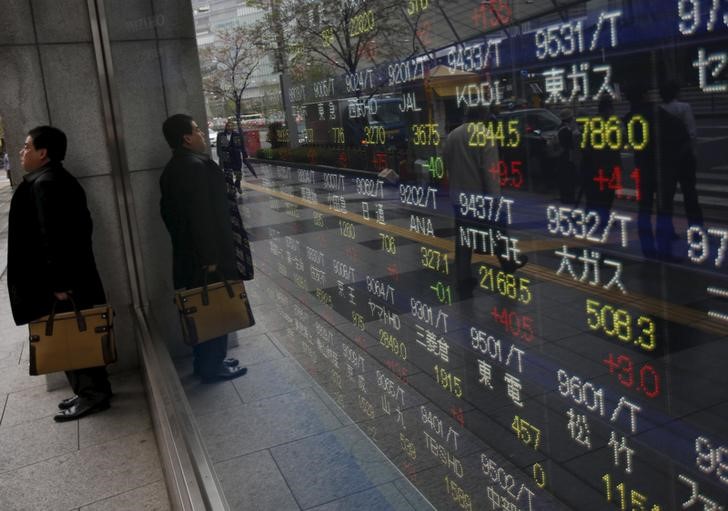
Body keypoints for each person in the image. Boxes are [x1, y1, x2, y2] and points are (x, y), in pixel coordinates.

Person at [6, 126, 112, 421]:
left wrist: (60, 283)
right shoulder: (50, 179)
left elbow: (53, 238)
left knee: (74, 337)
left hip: (64, 283)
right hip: (67, 280)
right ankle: (89, 391)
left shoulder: (46, 184)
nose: (21, 152)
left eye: (27, 147)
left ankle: (94, 395)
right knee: (76, 336)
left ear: (43, 153)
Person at [160, 114, 248, 383]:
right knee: (212, 307)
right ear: (186, 137)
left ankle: (208, 361)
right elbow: (203, 216)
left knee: (201, 309)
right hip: (206, 257)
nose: (201, 134)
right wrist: (210, 258)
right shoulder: (195, 167)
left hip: (191, 255)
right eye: (197, 129)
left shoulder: (176, 167)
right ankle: (212, 366)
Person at [216, 121, 256, 192]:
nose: (230, 128)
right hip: (226, 157)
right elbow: (219, 147)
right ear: (226, 127)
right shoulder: (221, 135)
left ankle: (237, 185)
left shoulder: (236, 135)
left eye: (231, 126)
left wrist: (244, 155)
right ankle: (231, 187)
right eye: (228, 126)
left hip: (236, 157)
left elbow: (241, 146)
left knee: (238, 174)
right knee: (228, 175)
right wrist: (220, 155)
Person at [556, 108, 578, 204]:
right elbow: (570, 144)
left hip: (563, 157)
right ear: (569, 118)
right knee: (568, 178)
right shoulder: (565, 130)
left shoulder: (561, 128)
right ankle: (568, 198)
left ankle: (566, 197)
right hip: (566, 158)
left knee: (566, 178)